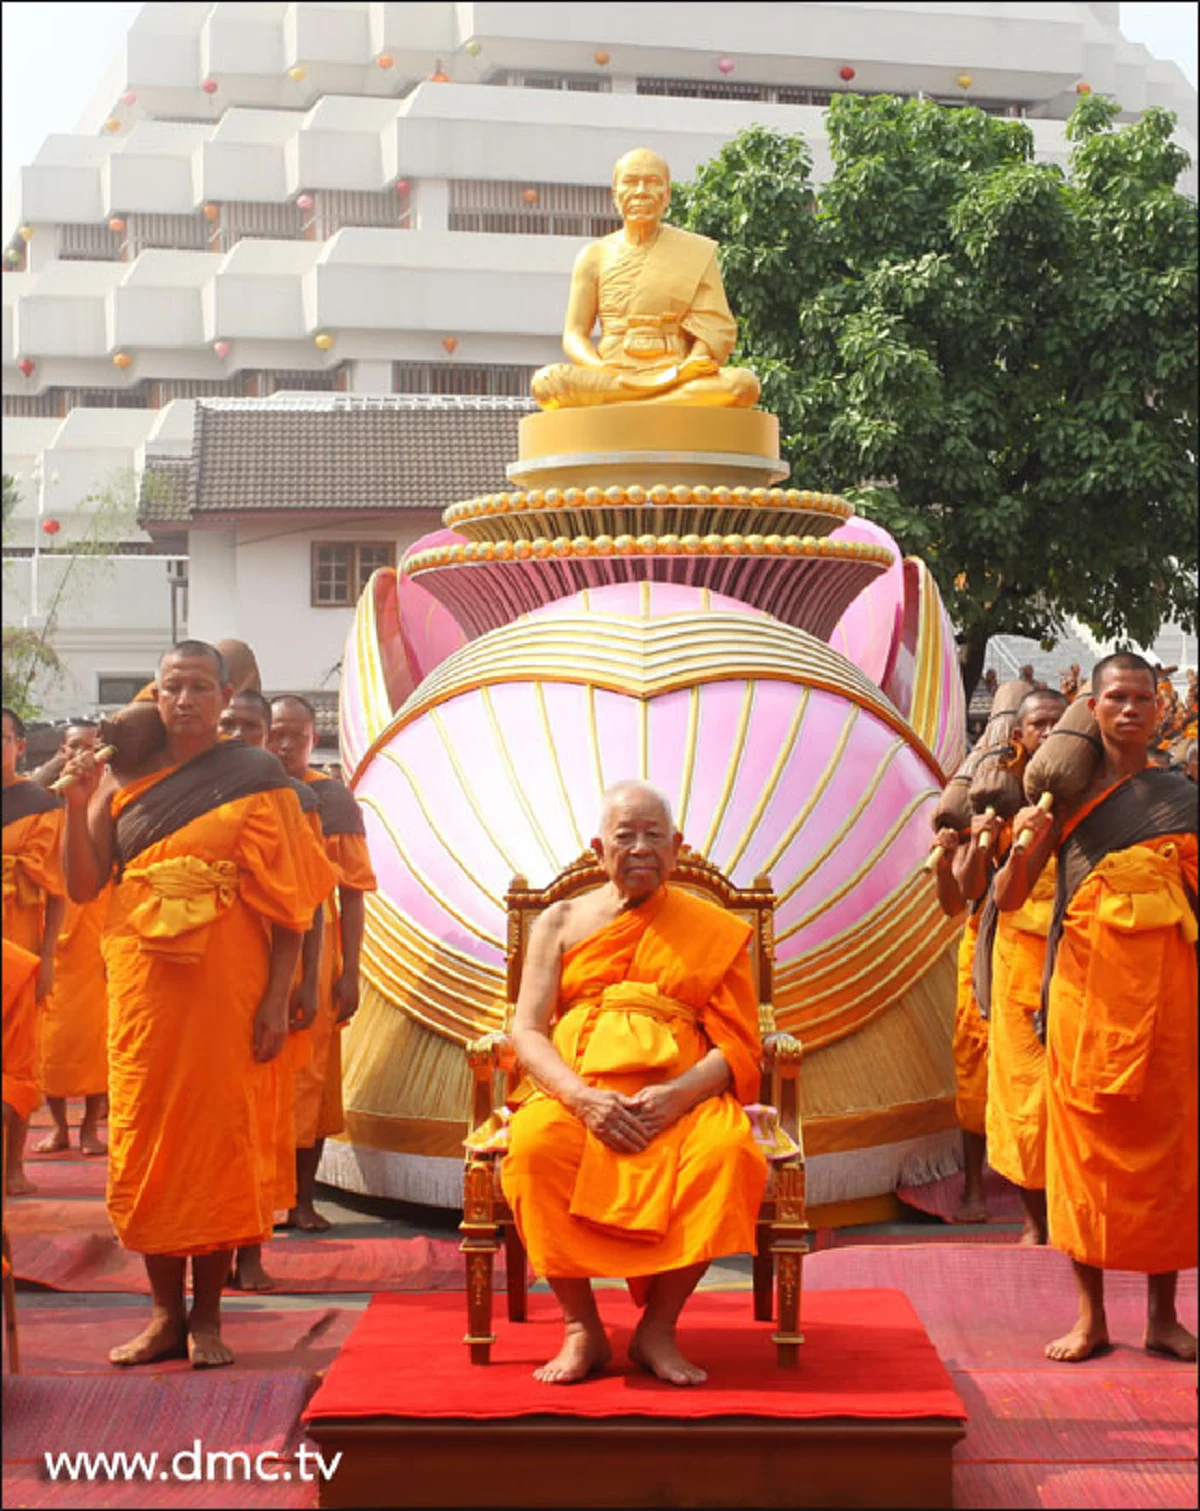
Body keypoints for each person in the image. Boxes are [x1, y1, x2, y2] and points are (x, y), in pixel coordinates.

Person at [59, 641, 335, 1369]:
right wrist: (76, 803)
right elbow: (84, 884)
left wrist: (278, 997)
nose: (185, 701)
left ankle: (208, 1317)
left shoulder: (258, 778)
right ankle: (162, 1316)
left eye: (200, 688)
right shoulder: (123, 777)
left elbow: (292, 905)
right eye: (172, 688)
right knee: (147, 1141)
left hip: (228, 989)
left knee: (217, 1142)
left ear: (225, 696)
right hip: (143, 991)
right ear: (155, 694)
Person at [501, 781, 767, 1386]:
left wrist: (678, 1096)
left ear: (678, 848)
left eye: (654, 836)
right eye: (626, 836)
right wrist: (581, 1099)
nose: (641, 848)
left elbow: (739, 1045)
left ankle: (659, 1328)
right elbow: (527, 1030)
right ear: (599, 849)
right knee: (535, 1150)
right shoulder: (559, 921)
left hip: (681, 1100)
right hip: (578, 1094)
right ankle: (581, 1328)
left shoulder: (712, 927)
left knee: (728, 1154)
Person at [1014, 652, 1196, 1363]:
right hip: (1084, 997)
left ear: (1160, 708)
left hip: (1170, 1002)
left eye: (1142, 698)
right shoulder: (1066, 799)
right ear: (1092, 708)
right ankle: (1089, 1318)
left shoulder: (1182, 797)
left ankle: (1163, 1317)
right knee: (1084, 1157)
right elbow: (1010, 895)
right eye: (1116, 697)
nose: (1130, 709)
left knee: (1169, 1157)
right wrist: (1023, 842)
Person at [218, 690, 328, 1291]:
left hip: (263, 980)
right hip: (198, 978)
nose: (238, 734)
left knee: (259, 1123)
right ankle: (200, 1245)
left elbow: (308, 900)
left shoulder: (292, 799)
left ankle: (251, 1251)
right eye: (228, 723)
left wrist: (299, 983)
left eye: (249, 726)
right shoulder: (181, 790)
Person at [531, 148, 759, 410]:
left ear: (667, 194)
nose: (640, 191)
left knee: (742, 385)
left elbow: (714, 328)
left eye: (652, 182)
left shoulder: (696, 252)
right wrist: (600, 368)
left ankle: (626, 404)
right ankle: (657, 402)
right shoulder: (594, 255)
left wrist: (690, 367)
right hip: (613, 372)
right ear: (615, 194)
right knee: (548, 382)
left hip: (678, 371)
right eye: (630, 182)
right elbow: (574, 335)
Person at [267, 696, 376, 1232]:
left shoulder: (332, 801)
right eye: (276, 734)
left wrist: (350, 972)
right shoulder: (250, 792)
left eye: (298, 735)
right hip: (257, 942)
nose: (285, 745)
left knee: (310, 1081)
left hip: (318, 951)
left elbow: (352, 894)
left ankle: (301, 1199)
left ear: (315, 739)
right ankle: (258, 1198)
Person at [982, 688, 1068, 1246]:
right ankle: (1034, 1221)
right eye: (1040, 725)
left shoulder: (1087, 793)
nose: (1049, 733)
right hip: (1019, 958)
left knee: (1072, 1097)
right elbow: (975, 891)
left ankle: (1072, 1212)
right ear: (1019, 735)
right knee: (1022, 1098)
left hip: (1078, 953)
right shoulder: (1002, 796)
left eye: (1059, 724)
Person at [33, 720, 109, 1157]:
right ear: (62, 752)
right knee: (52, 1043)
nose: (82, 755)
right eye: (74, 747)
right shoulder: (45, 806)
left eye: (90, 747)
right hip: (53, 937)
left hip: (100, 935)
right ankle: (60, 1127)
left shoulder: (114, 800)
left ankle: (90, 1129)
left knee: (98, 1041)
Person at [2, 706, 66, 1195]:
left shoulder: (40, 804)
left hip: (19, 947)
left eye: (2, 739)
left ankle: (13, 1167)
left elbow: (57, 891)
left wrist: (47, 959)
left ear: (19, 746)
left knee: (18, 1059)